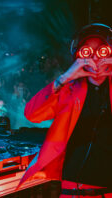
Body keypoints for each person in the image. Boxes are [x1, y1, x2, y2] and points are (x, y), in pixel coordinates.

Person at [18, 24, 112, 198]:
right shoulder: (69, 90)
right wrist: (65, 77)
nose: (94, 58)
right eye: (87, 52)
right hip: (71, 190)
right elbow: (32, 114)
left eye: (102, 51)